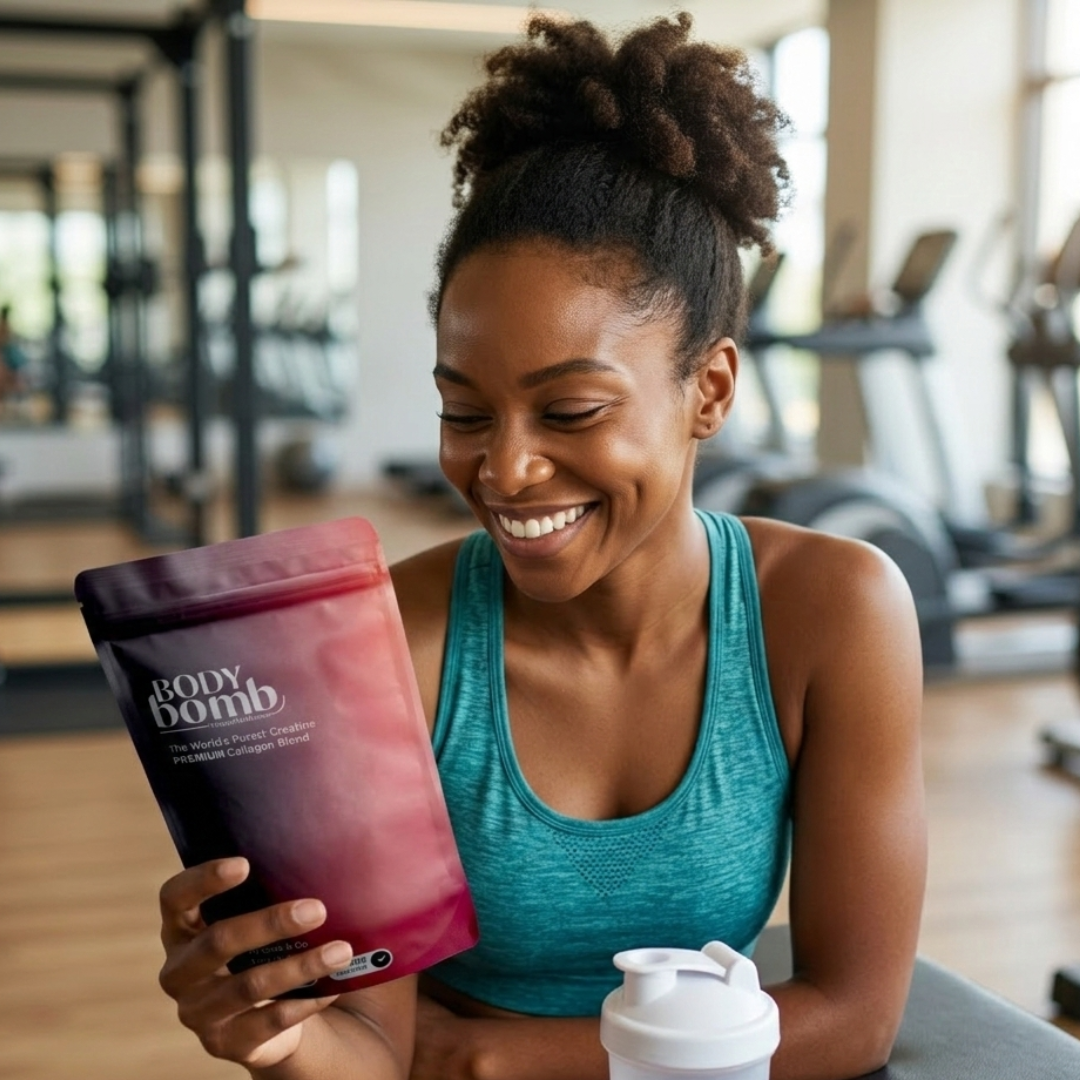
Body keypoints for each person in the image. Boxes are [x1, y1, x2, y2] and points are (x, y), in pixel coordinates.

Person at [157, 14, 926, 1080]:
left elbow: (855, 1018)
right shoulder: (390, 640)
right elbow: (373, 1052)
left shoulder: (835, 612)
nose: (503, 470)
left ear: (709, 390)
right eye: (464, 412)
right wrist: (281, 1036)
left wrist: (501, 1060)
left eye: (568, 412)